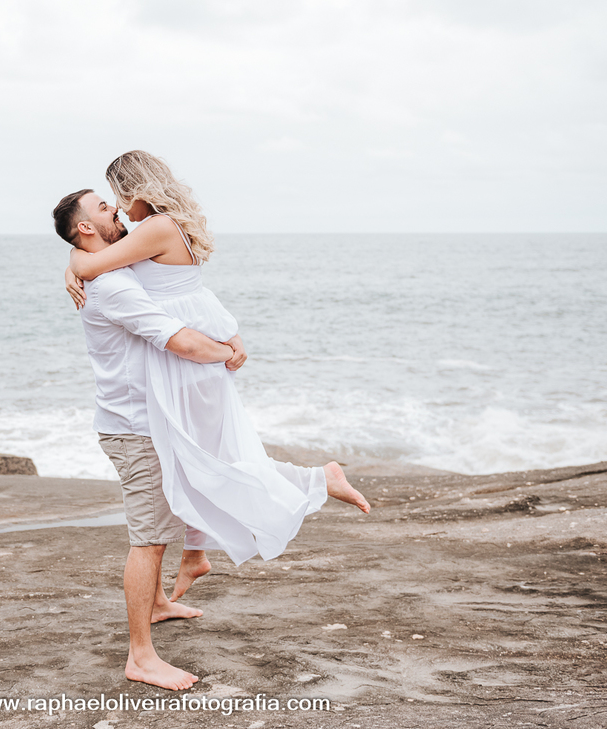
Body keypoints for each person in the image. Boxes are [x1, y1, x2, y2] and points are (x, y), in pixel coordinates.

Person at [64, 151, 370, 578]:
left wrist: (73, 262)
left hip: (189, 362)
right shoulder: (168, 225)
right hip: (194, 359)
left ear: (137, 190)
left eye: (118, 196)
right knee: (201, 462)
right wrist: (231, 332)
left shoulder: (156, 226)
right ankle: (196, 553)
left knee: (211, 463)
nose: (118, 208)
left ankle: (319, 480)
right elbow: (194, 294)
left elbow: (93, 262)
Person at [52, 187, 242, 691]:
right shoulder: (115, 287)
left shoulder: (108, 269)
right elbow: (177, 338)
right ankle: (140, 656)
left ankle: (158, 603)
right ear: (88, 228)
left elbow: (107, 260)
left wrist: (73, 262)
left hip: (138, 421)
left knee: (168, 516)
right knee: (149, 540)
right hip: (134, 429)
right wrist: (228, 351)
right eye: (103, 207)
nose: (116, 208)